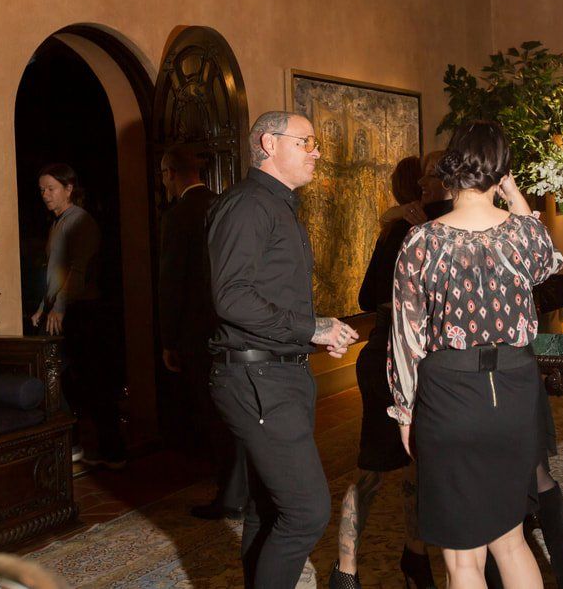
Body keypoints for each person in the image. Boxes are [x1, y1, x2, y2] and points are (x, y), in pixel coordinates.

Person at [389, 121, 563, 589]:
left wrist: (405, 412)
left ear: (451, 168)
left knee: (463, 558)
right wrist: (514, 194)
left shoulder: (421, 241)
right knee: (511, 540)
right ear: (500, 171)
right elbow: (549, 261)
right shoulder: (523, 235)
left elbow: (406, 337)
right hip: (515, 390)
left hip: (450, 395)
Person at [206, 110, 360, 589]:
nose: (316, 152)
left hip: (277, 374)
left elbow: (271, 295)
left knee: (270, 508)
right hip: (256, 379)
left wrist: (316, 331)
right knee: (307, 512)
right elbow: (230, 297)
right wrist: (310, 328)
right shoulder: (249, 206)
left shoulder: (277, 205)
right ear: (269, 144)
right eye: (307, 141)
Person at [329, 150, 447, 589]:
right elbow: (367, 297)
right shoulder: (407, 226)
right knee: (375, 467)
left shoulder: (429, 226)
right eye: (431, 175)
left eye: (440, 174)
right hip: (388, 359)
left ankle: (414, 557)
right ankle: (346, 567)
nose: (431, 184)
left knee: (420, 467)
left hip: (426, 362)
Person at [157, 147, 247, 521]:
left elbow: (171, 281)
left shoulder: (179, 215)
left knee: (212, 414)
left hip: (196, 331)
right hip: (232, 326)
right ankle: (239, 487)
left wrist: (167, 339)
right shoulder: (224, 205)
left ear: (170, 173)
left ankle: (228, 494)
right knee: (233, 412)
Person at [31, 163, 127, 469]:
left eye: (51, 188)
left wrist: (58, 308)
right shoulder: (57, 223)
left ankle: (113, 452)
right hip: (64, 310)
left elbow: (78, 270)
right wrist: (42, 306)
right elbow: (55, 271)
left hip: (84, 312)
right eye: (42, 190)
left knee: (95, 382)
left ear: (69, 189)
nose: (45, 195)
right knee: (66, 381)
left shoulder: (81, 222)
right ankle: (76, 446)